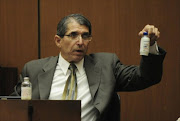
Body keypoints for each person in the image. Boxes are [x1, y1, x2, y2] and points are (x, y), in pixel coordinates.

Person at [12, 13, 166, 121]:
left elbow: (146, 77)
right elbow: (11, 108)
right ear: (58, 40)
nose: (80, 41)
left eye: (85, 36)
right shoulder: (34, 70)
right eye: (73, 35)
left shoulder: (107, 65)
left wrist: (151, 45)